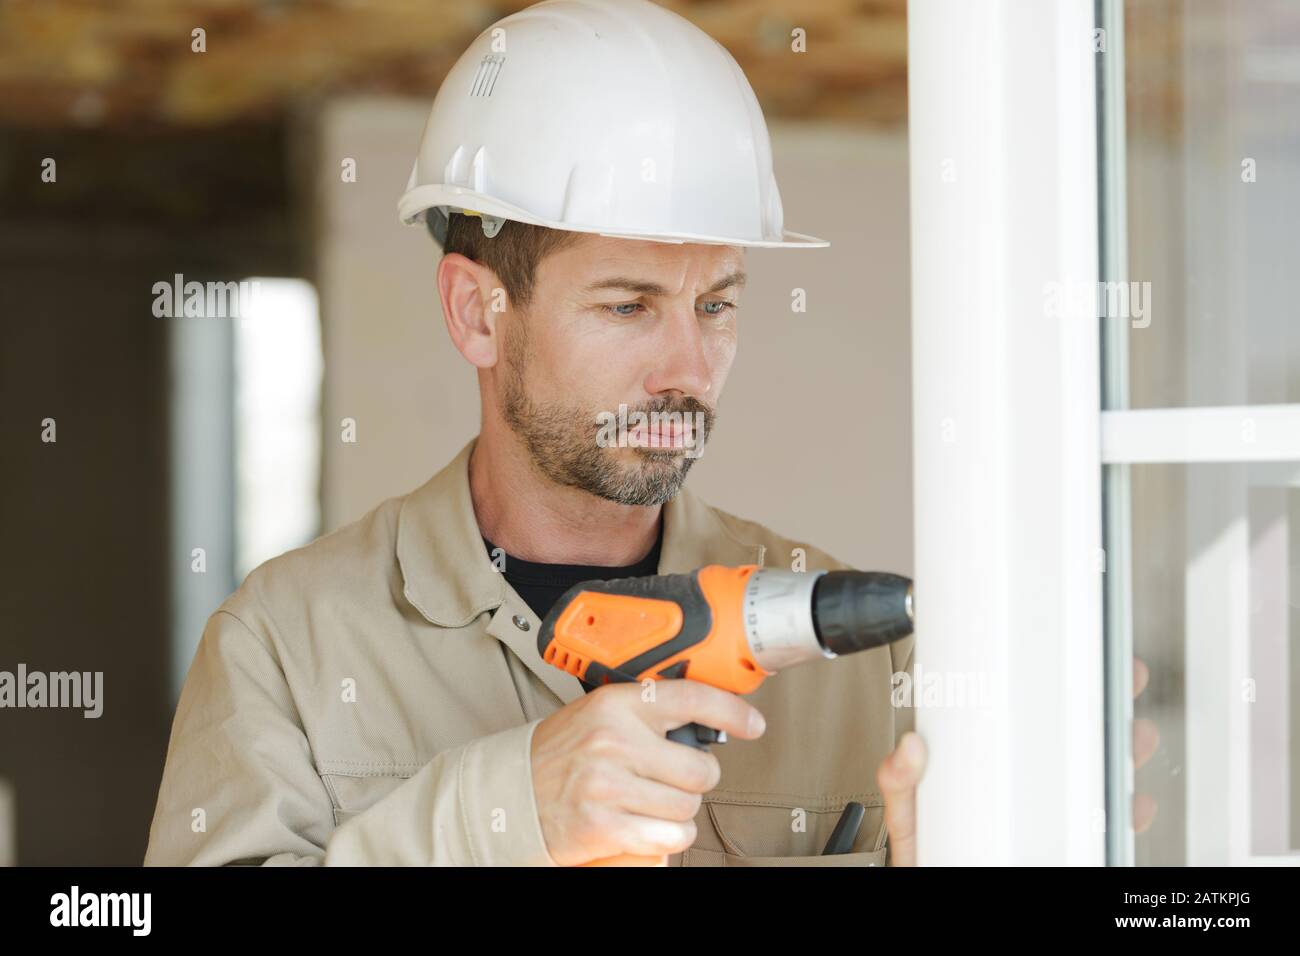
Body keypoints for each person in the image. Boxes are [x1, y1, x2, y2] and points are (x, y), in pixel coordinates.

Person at [144, 0, 926, 867]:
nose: (689, 369)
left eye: (716, 305)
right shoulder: (286, 650)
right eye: (627, 305)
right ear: (477, 312)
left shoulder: (858, 665)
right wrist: (509, 814)